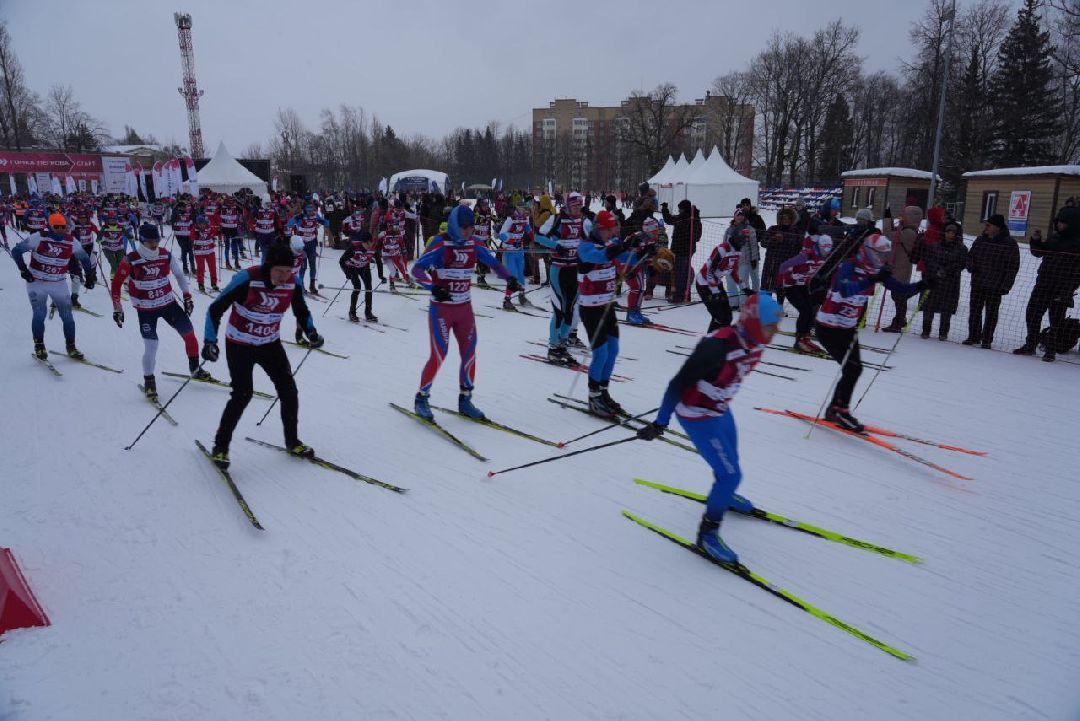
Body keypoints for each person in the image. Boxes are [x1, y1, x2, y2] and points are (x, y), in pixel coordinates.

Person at [634, 292, 783, 565]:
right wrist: (660, 422)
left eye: (776, 325)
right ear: (753, 321)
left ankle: (724, 495)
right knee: (730, 474)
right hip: (697, 415)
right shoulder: (716, 348)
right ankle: (708, 534)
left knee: (730, 463)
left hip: (719, 408)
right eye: (770, 325)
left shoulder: (754, 341)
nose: (776, 331)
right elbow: (677, 384)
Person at [201, 242, 324, 469]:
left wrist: (311, 332)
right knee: (242, 394)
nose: (284, 277)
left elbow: (301, 310)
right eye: (279, 271)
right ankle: (220, 447)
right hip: (240, 344)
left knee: (289, 391)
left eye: (288, 271)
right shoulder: (248, 279)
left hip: (269, 343)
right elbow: (215, 309)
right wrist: (210, 341)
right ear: (268, 266)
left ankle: (292, 442)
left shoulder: (293, 283)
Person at [410, 205, 520, 421]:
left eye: (471, 227)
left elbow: (493, 262)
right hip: (442, 309)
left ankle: (465, 399)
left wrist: (510, 278)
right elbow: (416, 270)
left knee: (469, 352)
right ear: (454, 225)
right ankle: (421, 398)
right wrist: (433, 287)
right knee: (439, 354)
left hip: (464, 309)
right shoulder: (440, 243)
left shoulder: (474, 244)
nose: (469, 231)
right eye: (465, 228)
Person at [814, 233, 926, 432]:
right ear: (868, 251)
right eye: (880, 254)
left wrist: (922, 285)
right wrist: (873, 279)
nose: (882, 259)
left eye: (885, 255)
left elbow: (900, 289)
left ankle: (834, 409)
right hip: (828, 327)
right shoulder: (849, 266)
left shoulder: (875, 270)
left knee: (853, 369)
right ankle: (841, 411)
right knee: (853, 369)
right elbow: (845, 289)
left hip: (847, 328)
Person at [111, 223, 207, 400]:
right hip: (146, 309)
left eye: (156, 240)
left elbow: (179, 275)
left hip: (168, 304)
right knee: (152, 346)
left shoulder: (165, 254)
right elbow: (116, 284)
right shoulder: (131, 259)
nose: (154, 244)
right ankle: (149, 382)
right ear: (142, 241)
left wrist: (187, 297)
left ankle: (195, 368)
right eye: (150, 242)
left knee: (189, 334)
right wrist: (118, 308)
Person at [576, 209, 647, 417]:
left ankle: (603, 392)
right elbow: (601, 256)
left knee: (613, 350)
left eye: (614, 229)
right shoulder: (585, 247)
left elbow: (628, 258)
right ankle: (593, 397)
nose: (613, 233)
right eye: (609, 229)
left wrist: (645, 252)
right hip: (591, 309)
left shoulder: (611, 244)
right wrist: (624, 245)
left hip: (607, 306)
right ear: (599, 229)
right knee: (601, 353)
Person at [10, 212, 96, 360]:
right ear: (49, 227)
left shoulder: (71, 241)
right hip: (37, 282)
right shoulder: (39, 237)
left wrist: (89, 276)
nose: (60, 230)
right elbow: (16, 251)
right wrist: (24, 270)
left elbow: (84, 258)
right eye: (56, 227)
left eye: (63, 227)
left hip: (58, 283)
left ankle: (71, 347)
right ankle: (39, 346)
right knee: (40, 313)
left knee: (67, 316)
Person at [1013, 206, 1080, 361]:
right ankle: (1030, 344)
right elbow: (1039, 252)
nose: (1059, 225)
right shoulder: (1054, 237)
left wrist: (1069, 289)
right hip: (1043, 283)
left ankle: (1051, 349)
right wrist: (1036, 241)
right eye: (1059, 222)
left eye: (1063, 223)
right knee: (1032, 314)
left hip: (1062, 288)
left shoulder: (1077, 243)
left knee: (1056, 319)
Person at [535, 191, 588, 364]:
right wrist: (555, 246)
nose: (578, 208)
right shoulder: (556, 219)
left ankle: (562, 344)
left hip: (574, 270)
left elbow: (589, 241)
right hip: (558, 270)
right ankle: (553, 347)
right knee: (559, 311)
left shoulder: (582, 221)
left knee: (570, 311)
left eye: (580, 205)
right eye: (575, 205)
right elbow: (537, 236)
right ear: (568, 205)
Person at [963, 214, 1019, 348]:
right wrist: (971, 266)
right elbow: (970, 256)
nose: (986, 227)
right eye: (986, 225)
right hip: (978, 282)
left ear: (997, 227)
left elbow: (1013, 266)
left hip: (996, 285)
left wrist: (1006, 285)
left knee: (992, 313)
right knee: (975, 310)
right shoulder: (980, 240)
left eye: (989, 225)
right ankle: (973, 336)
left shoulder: (1010, 243)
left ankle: (987, 339)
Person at [778, 234, 834, 353]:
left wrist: (811, 281)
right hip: (790, 286)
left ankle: (806, 338)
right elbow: (784, 266)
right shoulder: (805, 256)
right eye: (825, 248)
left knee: (810, 310)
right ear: (819, 246)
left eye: (829, 248)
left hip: (802, 286)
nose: (827, 251)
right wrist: (781, 283)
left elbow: (810, 272)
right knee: (805, 311)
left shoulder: (822, 258)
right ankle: (799, 341)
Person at [919, 218, 967, 341]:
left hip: (950, 282)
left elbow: (961, 263)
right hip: (934, 279)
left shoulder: (961, 249)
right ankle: (926, 330)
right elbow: (928, 260)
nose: (950, 235)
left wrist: (947, 270)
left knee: (946, 308)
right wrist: (936, 269)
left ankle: (943, 332)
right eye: (948, 232)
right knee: (929, 305)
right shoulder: (935, 246)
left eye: (953, 233)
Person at [881, 206, 923, 332]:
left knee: (898, 296)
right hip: (899, 267)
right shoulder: (907, 230)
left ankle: (898, 322)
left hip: (901, 269)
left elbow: (888, 234)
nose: (901, 217)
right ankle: (900, 319)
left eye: (904, 215)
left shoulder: (908, 233)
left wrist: (887, 217)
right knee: (898, 295)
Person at [694, 229, 744, 333]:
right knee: (719, 317)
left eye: (745, 240)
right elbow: (709, 272)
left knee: (728, 317)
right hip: (704, 284)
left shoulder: (737, 251)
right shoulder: (722, 249)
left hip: (716, 283)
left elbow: (733, 271)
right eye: (742, 239)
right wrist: (715, 292)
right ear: (735, 238)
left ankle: (720, 339)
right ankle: (710, 340)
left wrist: (744, 287)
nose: (744, 242)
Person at [759, 207, 803, 307]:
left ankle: (779, 308)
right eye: (783, 218)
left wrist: (785, 239)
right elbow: (763, 243)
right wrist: (773, 239)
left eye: (788, 218)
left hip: (786, 265)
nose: (785, 220)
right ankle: (767, 307)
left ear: (792, 219)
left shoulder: (796, 231)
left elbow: (799, 245)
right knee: (767, 286)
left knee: (781, 288)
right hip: (771, 263)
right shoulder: (773, 229)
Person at [660, 199, 702, 303]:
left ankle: (679, 296)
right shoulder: (695, 219)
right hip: (689, 250)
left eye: (680, 209)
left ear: (683, 209)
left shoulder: (685, 218)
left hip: (681, 250)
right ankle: (686, 295)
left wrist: (664, 209)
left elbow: (669, 220)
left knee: (680, 274)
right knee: (685, 272)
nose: (679, 211)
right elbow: (698, 237)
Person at [339, 228, 383, 323]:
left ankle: (368, 313)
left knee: (369, 288)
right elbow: (341, 261)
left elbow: (379, 262)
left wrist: (381, 276)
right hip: (352, 267)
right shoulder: (354, 247)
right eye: (366, 243)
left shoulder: (373, 248)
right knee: (357, 287)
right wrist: (347, 273)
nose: (368, 245)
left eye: (369, 243)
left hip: (364, 266)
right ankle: (352, 313)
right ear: (363, 242)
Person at [286, 203, 330, 294]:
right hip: (302, 245)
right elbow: (289, 224)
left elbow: (324, 221)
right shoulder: (300, 217)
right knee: (303, 266)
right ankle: (301, 285)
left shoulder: (315, 216)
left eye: (312, 210)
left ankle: (312, 285)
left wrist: (326, 222)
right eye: (308, 210)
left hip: (312, 243)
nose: (310, 212)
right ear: (305, 210)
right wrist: (295, 220)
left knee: (313, 265)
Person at [623, 217, 660, 325]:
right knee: (636, 287)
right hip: (628, 264)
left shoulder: (652, 239)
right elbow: (626, 252)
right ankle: (631, 313)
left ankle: (636, 312)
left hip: (638, 266)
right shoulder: (638, 237)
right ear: (649, 230)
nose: (657, 233)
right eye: (655, 231)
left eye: (657, 230)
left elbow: (647, 256)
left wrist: (652, 266)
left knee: (640, 288)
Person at [497, 205, 532, 310]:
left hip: (520, 252)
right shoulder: (510, 220)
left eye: (527, 213)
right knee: (513, 276)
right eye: (524, 212)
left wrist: (536, 239)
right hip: (510, 252)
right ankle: (507, 300)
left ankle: (522, 295)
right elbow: (501, 235)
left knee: (521, 275)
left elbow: (529, 231)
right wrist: (512, 242)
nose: (526, 214)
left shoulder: (525, 219)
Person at [191, 214, 220, 293]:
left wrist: (219, 231)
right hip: (199, 252)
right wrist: (196, 233)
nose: (202, 226)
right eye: (200, 224)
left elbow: (215, 232)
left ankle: (214, 283)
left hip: (210, 251)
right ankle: (201, 284)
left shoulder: (209, 228)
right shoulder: (194, 229)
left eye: (203, 224)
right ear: (197, 224)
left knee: (213, 268)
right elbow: (192, 237)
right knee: (201, 268)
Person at [170, 202, 194, 275]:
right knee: (184, 251)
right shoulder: (176, 213)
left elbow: (192, 221)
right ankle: (185, 268)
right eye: (182, 207)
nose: (183, 209)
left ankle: (193, 268)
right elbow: (172, 221)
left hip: (188, 235)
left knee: (191, 251)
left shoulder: (188, 213)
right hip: (180, 235)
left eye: (184, 207)